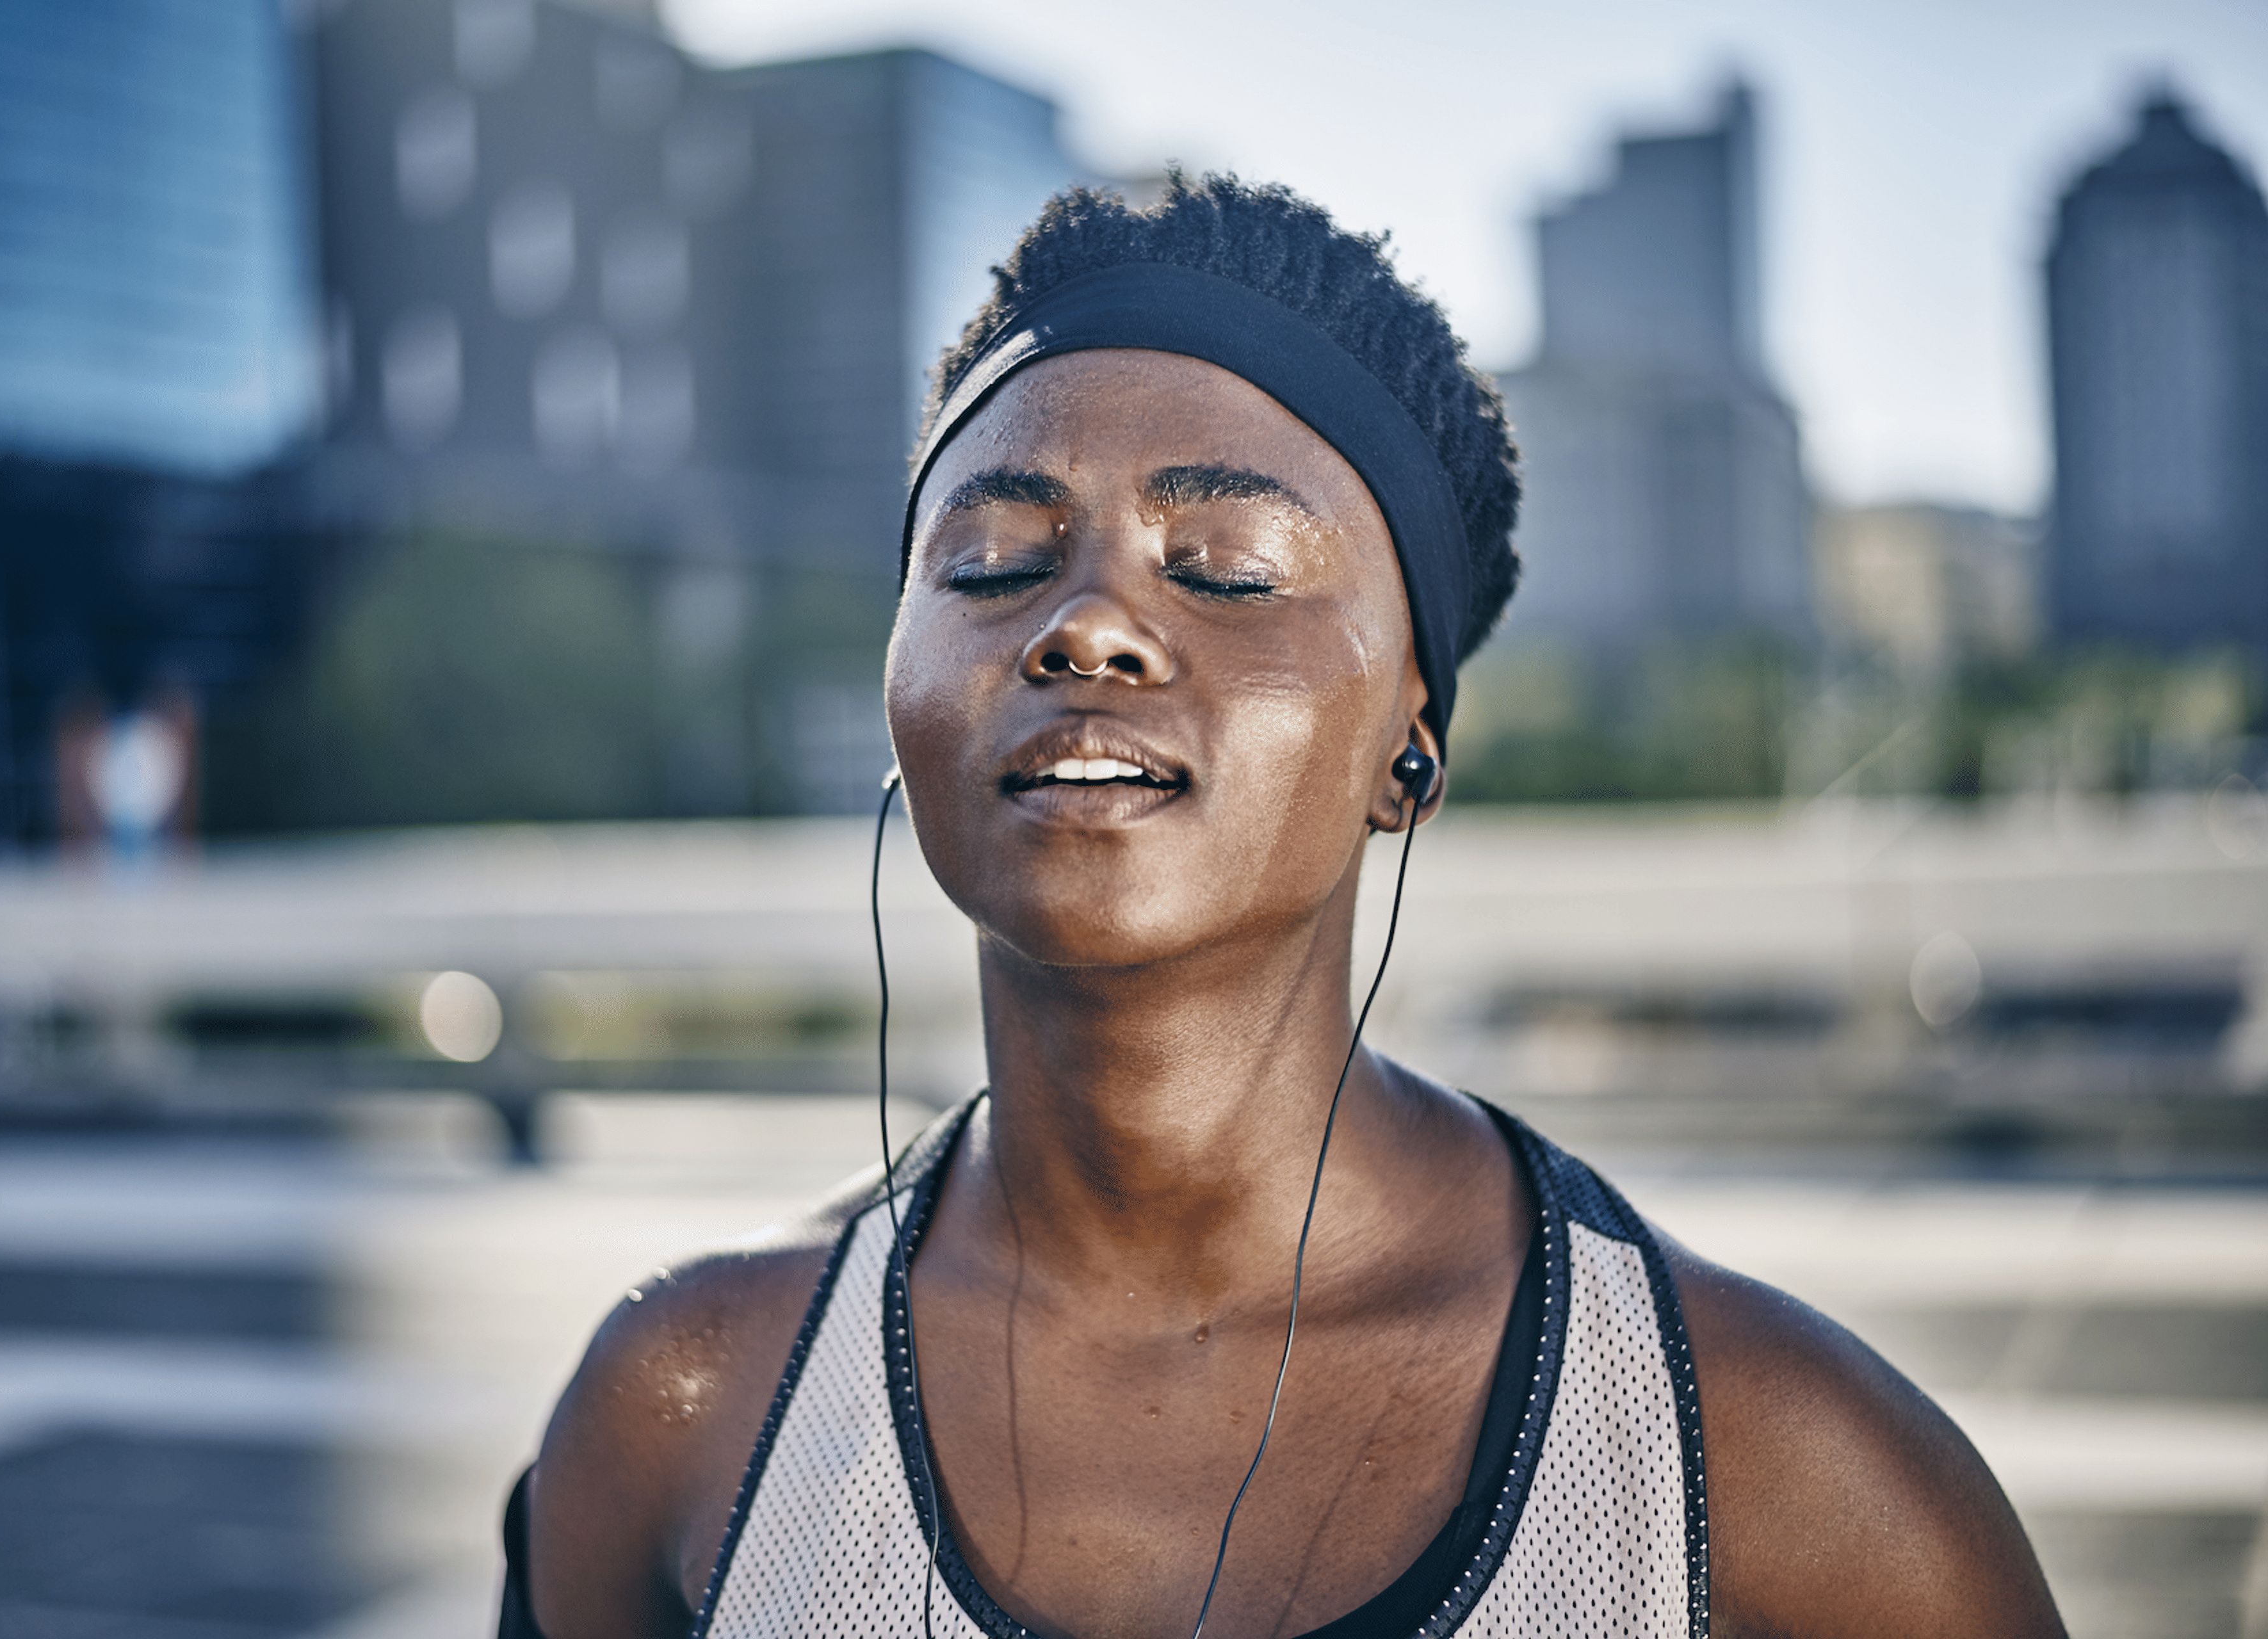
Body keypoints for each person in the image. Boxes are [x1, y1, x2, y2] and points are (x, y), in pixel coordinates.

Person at [501, 177, 2064, 1639]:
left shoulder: (1773, 1478)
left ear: (1411, 744)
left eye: (1231, 565)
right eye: (988, 558)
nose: (1090, 622)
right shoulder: (683, 1413)